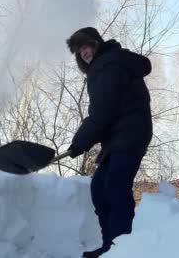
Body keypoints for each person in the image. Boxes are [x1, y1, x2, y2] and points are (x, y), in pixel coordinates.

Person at [66, 27, 153, 258]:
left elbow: (101, 113)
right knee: (99, 188)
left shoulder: (107, 65)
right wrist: (82, 141)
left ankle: (121, 249)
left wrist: (78, 144)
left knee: (115, 187)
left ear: (96, 43)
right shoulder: (105, 65)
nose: (84, 52)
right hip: (119, 136)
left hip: (130, 133)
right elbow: (104, 114)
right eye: (79, 50)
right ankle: (110, 246)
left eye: (87, 46)